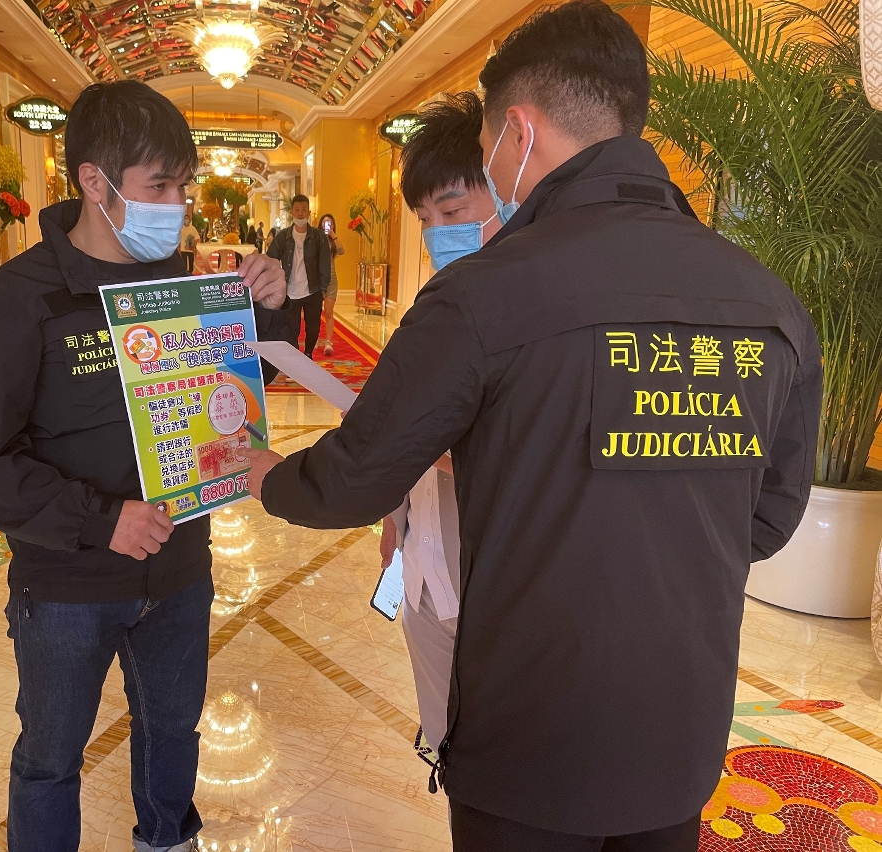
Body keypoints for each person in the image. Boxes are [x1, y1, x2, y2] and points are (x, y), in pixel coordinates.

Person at [242, 3, 822, 850]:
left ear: (518, 131)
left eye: (485, 151)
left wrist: (265, 475)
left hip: (531, 736)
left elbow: (353, 480)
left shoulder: (485, 295)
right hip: (681, 730)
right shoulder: (769, 302)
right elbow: (769, 518)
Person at [0, 80, 289, 852]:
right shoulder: (13, 302)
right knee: (50, 759)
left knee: (173, 733)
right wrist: (101, 521)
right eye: (158, 187)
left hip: (181, 569)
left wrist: (266, 307)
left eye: (183, 186)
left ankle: (165, 838)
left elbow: (230, 398)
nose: (178, 205)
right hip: (68, 585)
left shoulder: (183, 287)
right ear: (94, 182)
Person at [377, 91, 500, 757]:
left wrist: (444, 450)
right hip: (420, 558)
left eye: (453, 213)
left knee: (493, 740)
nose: (436, 233)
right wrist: (392, 517)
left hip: (486, 575)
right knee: (442, 723)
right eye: (426, 219)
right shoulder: (434, 307)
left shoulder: (539, 318)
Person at [266, 195, 331, 359]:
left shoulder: (318, 237)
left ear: (309, 212)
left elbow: (325, 264)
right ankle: (295, 359)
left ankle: (308, 354)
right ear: (292, 212)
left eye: (303, 210)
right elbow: (271, 258)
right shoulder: (283, 236)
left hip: (313, 290)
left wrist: (324, 289)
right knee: (291, 329)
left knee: (313, 328)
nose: (300, 213)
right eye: (297, 210)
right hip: (290, 291)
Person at [315, 213, 346, 357]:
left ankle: (328, 341)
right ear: (320, 224)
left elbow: (341, 251)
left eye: (330, 223)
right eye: (325, 222)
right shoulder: (316, 238)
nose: (327, 224)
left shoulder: (333, 240)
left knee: (328, 312)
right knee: (315, 312)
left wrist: (332, 235)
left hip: (332, 280)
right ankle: (314, 338)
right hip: (318, 280)